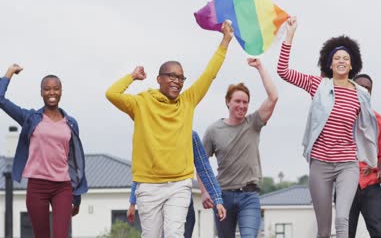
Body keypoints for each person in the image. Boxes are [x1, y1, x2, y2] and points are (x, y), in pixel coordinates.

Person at [105, 22, 233, 237]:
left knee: (174, 234)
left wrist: (225, 41)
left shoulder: (188, 101)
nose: (177, 81)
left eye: (181, 77)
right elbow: (112, 94)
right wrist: (132, 76)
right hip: (148, 185)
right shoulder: (141, 103)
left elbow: (209, 74)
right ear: (159, 79)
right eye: (171, 76)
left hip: (179, 184)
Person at [277, 17, 378, 238]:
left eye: (346, 58)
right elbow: (283, 71)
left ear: (352, 65)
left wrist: (371, 160)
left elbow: (368, 129)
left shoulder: (361, 95)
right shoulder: (317, 86)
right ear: (330, 64)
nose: (341, 61)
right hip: (320, 164)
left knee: (342, 219)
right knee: (323, 230)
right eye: (337, 58)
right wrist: (290, 36)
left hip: (347, 165)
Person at [0, 64, 88, 238]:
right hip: (37, 187)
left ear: (61, 91)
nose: (52, 93)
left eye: (56, 89)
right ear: (41, 92)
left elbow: (75, 161)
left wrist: (77, 196)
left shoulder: (71, 123)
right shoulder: (30, 118)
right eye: (47, 89)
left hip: (63, 187)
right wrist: (9, 73)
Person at [201, 57, 278, 238]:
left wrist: (260, 67)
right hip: (223, 196)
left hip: (249, 195)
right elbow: (202, 163)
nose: (242, 106)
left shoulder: (253, 123)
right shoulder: (213, 130)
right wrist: (205, 192)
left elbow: (273, 97)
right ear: (228, 102)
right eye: (237, 101)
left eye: (245, 102)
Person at [127, 131, 226, 237]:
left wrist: (217, 198)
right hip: (153, 196)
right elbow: (141, 170)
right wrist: (133, 202)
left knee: (174, 234)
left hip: (180, 197)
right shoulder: (150, 134)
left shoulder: (190, 135)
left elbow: (203, 166)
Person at [349, 74, 381, 238]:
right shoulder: (341, 116)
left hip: (371, 184)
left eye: (368, 88)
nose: (365, 90)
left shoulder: (378, 120)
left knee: (379, 233)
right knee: (345, 233)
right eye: (361, 87)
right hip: (346, 183)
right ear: (352, 89)